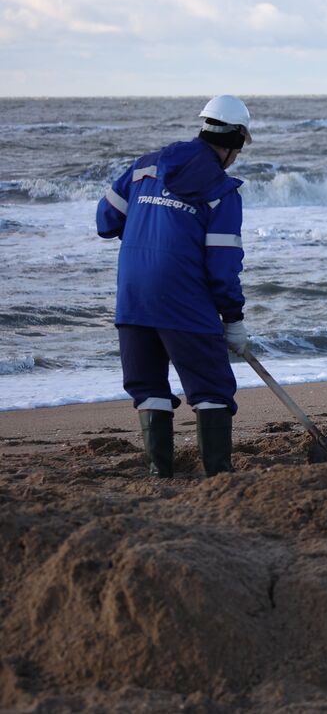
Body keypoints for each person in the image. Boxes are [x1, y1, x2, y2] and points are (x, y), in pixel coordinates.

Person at [96, 96, 254, 478]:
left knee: (148, 387)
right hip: (184, 301)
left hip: (133, 297)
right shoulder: (222, 191)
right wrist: (233, 319)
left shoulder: (144, 167)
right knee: (212, 389)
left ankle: (158, 477)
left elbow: (105, 220)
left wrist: (148, 231)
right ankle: (218, 477)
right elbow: (222, 269)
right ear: (235, 144)